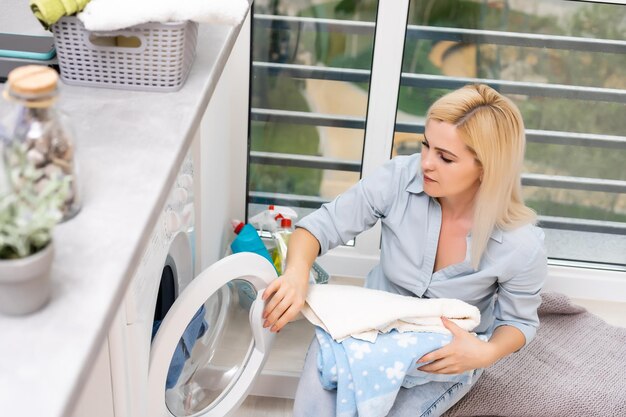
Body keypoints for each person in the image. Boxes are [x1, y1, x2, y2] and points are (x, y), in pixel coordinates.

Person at [261, 84, 547, 416]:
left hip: (440, 353)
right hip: (365, 330)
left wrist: (485, 353)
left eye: (445, 157)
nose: (426, 163)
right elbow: (319, 228)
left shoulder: (520, 245)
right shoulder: (399, 179)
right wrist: (297, 273)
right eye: (426, 145)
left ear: (486, 167)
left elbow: (519, 322)